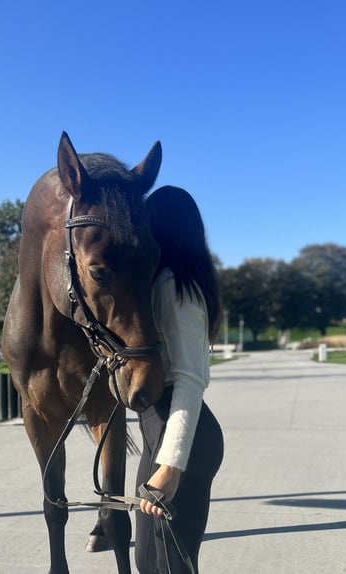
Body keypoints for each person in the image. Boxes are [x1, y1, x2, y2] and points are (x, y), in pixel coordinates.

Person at [136, 186, 224, 574]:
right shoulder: (162, 283)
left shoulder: (175, 288)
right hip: (159, 432)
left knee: (171, 564)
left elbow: (189, 379)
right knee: (148, 560)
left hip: (181, 434)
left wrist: (171, 467)